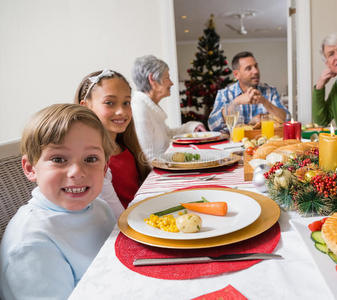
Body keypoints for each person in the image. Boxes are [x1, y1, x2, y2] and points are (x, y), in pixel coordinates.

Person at [0, 104, 116, 299]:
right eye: (59, 159)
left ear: (104, 168)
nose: (77, 172)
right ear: (30, 168)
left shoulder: (99, 208)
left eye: (90, 159)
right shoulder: (31, 245)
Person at [75, 69, 151, 214]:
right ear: (85, 106)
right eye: (109, 103)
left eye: (126, 103)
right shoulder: (91, 159)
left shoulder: (125, 146)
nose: (121, 111)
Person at [131, 55, 206, 161]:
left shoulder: (149, 106)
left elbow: (168, 134)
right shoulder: (140, 109)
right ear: (152, 79)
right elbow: (147, 158)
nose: (171, 83)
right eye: (167, 78)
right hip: (158, 174)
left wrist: (192, 127)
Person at [208, 51, 290, 132]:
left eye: (256, 66)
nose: (256, 71)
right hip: (233, 143)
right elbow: (212, 125)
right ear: (236, 74)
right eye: (248, 68)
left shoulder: (270, 91)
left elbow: (287, 119)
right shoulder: (224, 94)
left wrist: (264, 101)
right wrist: (236, 102)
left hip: (264, 142)